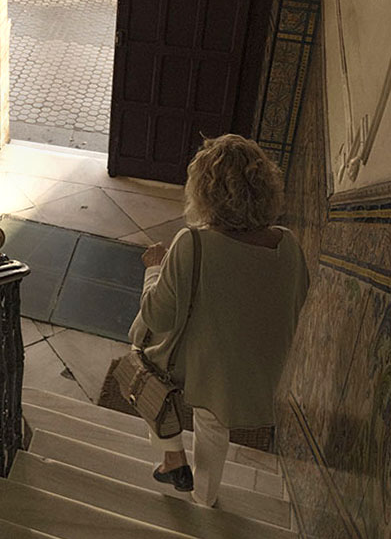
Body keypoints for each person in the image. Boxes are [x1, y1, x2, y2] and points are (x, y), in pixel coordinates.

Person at [129, 133, 309, 507]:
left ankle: (173, 456)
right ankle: (204, 498)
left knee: (139, 348)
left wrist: (154, 269)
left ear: (203, 192)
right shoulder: (289, 244)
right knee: (214, 419)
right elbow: (295, 300)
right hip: (263, 375)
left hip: (207, 367)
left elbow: (156, 315)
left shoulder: (193, 243)